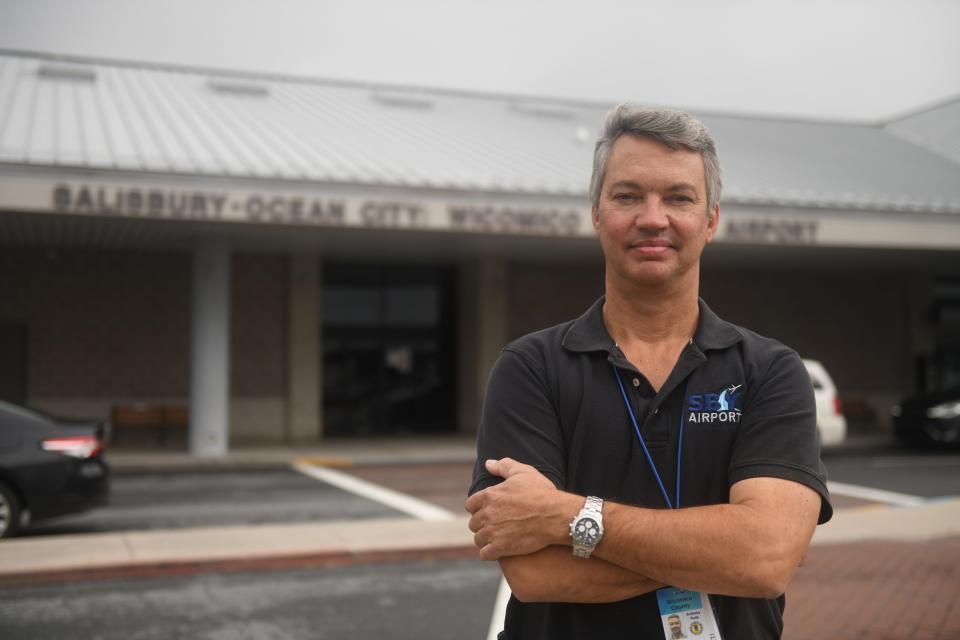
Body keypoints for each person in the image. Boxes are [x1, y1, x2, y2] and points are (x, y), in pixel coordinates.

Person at [465, 104, 832, 640]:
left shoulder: (770, 371)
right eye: (627, 195)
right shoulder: (530, 368)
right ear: (596, 213)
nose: (653, 218)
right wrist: (721, 551)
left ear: (711, 219)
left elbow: (765, 558)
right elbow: (535, 572)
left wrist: (568, 516)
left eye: (679, 197)